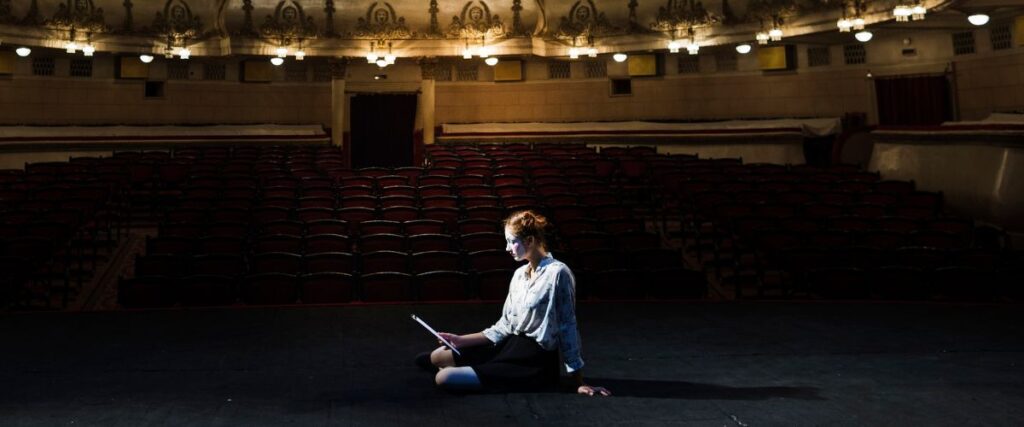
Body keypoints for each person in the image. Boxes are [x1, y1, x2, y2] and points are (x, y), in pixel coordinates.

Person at [415, 210, 611, 396]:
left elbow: (568, 326)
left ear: (530, 241)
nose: (507, 248)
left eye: (511, 242)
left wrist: (578, 381)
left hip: (533, 359)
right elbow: (504, 325)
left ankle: (468, 371)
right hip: (510, 345)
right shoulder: (519, 274)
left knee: (444, 377)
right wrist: (460, 340)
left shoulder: (558, 273)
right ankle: (466, 365)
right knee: (437, 356)